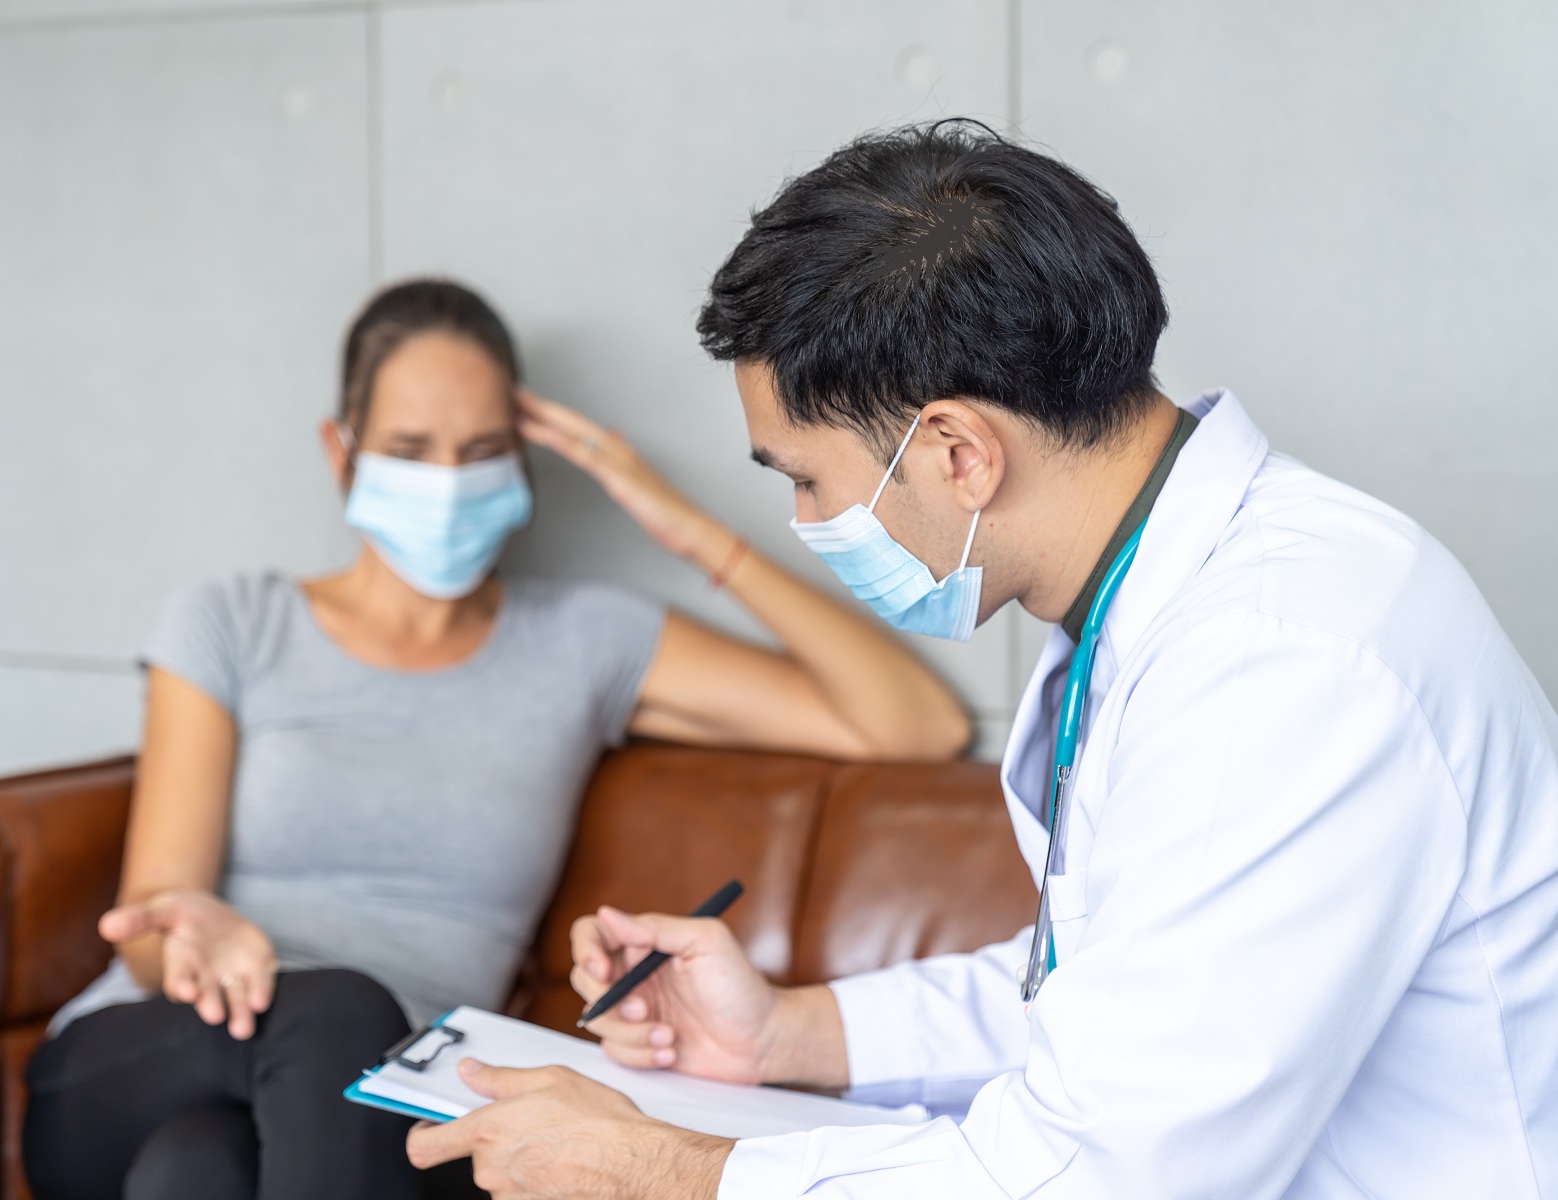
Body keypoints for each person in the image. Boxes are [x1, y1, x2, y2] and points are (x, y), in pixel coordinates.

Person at [404, 121, 1558, 1198]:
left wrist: (666, 1170)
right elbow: (1107, 997)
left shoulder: (1284, 661)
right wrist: (783, 1034)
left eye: (806, 479)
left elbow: (1105, 1171)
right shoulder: (1159, 599)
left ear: (958, 450)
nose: (808, 521)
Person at [19, 279, 972, 1200]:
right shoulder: (233, 622)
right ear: (340, 452)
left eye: (479, 451)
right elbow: (150, 924)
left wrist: (677, 522)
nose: (446, 483)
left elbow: (911, 722)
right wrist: (199, 932)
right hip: (149, 1053)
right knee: (338, 1014)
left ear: (522, 461)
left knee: (199, 1172)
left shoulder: (582, 641)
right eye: (409, 448)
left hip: (405, 1103)